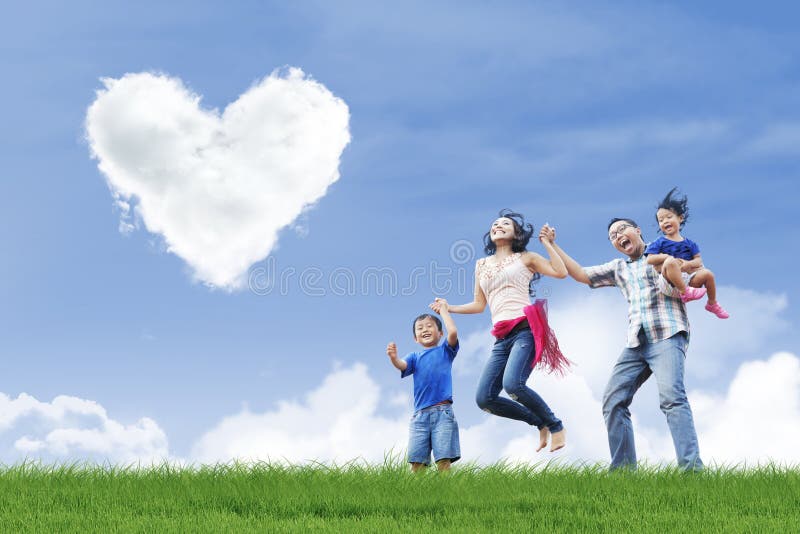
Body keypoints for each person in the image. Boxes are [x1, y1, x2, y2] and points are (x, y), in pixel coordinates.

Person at [547, 218, 703, 471]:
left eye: (622, 229)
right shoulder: (618, 268)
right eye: (612, 235)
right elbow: (581, 274)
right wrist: (553, 245)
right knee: (613, 401)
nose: (618, 235)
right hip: (636, 342)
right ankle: (623, 472)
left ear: (638, 231)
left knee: (672, 399)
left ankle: (692, 469)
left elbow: (694, 269)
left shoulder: (662, 250)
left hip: (667, 333)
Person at [433, 209, 569, 453]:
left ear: (516, 233)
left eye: (505, 223)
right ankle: (538, 422)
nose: (498, 225)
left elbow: (560, 272)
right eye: (495, 224)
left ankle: (556, 425)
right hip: (501, 337)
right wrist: (448, 307)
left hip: (525, 329)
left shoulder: (526, 258)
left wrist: (548, 244)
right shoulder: (481, 265)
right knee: (485, 398)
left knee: (513, 384)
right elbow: (479, 304)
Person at [386, 305, 460, 472]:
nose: (424, 329)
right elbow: (402, 365)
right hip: (419, 417)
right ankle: (418, 495)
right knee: (417, 462)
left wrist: (443, 312)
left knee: (443, 460)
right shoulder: (414, 357)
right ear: (415, 338)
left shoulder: (445, 351)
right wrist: (393, 358)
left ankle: (447, 493)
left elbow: (453, 332)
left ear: (440, 333)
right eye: (420, 328)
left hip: (443, 413)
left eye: (429, 326)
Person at [645, 187, 729, 319]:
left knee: (708, 274)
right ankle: (685, 292)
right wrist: (667, 257)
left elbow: (698, 261)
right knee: (671, 262)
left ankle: (712, 303)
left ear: (680, 218)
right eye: (661, 220)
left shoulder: (690, 243)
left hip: (689, 280)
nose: (665, 221)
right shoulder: (660, 242)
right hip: (669, 283)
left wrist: (687, 264)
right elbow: (649, 259)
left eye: (668, 217)